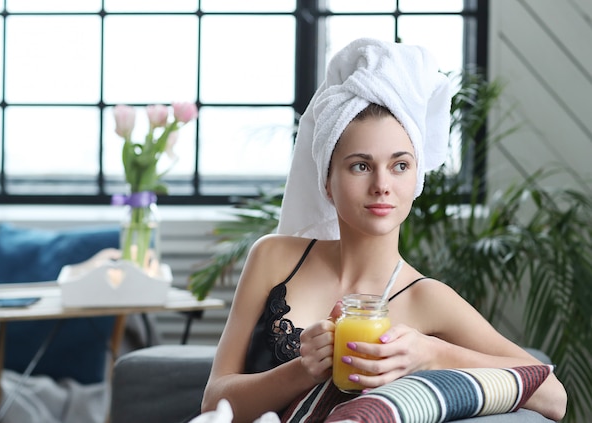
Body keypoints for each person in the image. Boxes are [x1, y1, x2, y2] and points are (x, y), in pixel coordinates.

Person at [201, 38, 567, 423]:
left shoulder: (429, 299)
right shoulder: (274, 257)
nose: (382, 185)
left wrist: (431, 354)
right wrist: (303, 369)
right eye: (360, 166)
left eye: (400, 165)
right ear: (327, 181)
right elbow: (213, 403)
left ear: (417, 179)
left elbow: (553, 397)